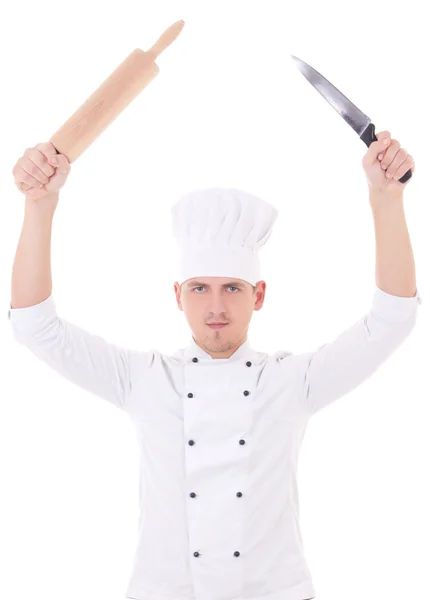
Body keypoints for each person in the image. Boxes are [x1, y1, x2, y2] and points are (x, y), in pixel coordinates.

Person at [8, 134, 421, 600]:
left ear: (258, 295)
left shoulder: (292, 382)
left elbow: (392, 320)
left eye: (233, 288)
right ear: (178, 296)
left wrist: (385, 200)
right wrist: (40, 206)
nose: (216, 307)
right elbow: (34, 325)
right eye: (200, 289)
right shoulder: (142, 379)